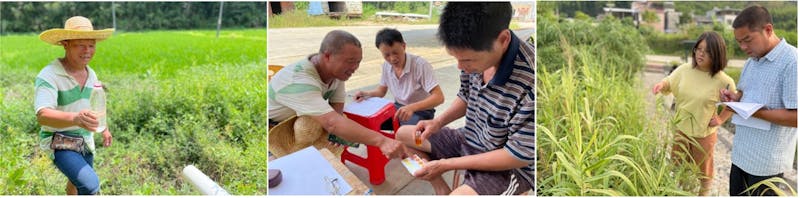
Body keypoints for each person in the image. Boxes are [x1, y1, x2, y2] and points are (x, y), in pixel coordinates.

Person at [394, 2, 534, 195]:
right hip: (469, 138)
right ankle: (441, 188)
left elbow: (517, 155)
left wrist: (447, 164)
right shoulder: (472, 60)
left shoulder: (531, 82)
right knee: (404, 135)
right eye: (456, 58)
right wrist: (437, 122)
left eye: (467, 60)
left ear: (503, 40)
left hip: (505, 165)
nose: (460, 66)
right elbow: (466, 96)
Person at [268, 30, 407, 159]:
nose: (354, 68)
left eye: (358, 62)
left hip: (306, 125)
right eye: (350, 61)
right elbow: (331, 123)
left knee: (313, 128)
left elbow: (337, 104)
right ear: (327, 56)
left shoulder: (335, 72)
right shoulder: (298, 81)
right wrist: (382, 140)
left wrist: (334, 133)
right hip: (276, 130)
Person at [720, 5, 797, 196]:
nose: (743, 47)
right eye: (739, 42)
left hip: (766, 164)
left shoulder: (792, 61)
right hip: (741, 155)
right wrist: (735, 98)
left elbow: (796, 117)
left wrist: (755, 112)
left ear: (768, 30)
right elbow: (746, 95)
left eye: (748, 40)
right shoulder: (751, 61)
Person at [35, 16, 114, 195]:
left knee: (75, 183)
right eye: (80, 44)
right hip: (59, 140)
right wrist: (76, 119)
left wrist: (105, 128)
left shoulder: (91, 74)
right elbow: (42, 115)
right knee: (89, 185)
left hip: (85, 139)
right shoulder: (49, 75)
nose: (87, 51)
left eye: (91, 45)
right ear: (66, 44)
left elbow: (96, 104)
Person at [652, 31, 735, 196]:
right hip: (681, 129)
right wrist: (661, 85)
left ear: (717, 54)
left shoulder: (724, 81)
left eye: (707, 51)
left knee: (704, 171)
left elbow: (733, 104)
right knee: (677, 166)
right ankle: (681, 192)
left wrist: (720, 119)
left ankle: (702, 195)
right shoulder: (685, 69)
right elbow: (670, 81)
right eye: (698, 49)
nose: (701, 53)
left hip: (703, 134)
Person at [353, 28, 444, 129]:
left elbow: (439, 97)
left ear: (404, 46)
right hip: (398, 108)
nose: (392, 59)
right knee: (368, 123)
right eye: (386, 55)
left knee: (410, 136)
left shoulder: (420, 65)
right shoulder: (386, 66)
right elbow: (381, 91)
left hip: (421, 111)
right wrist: (366, 94)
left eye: (395, 52)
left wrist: (412, 108)